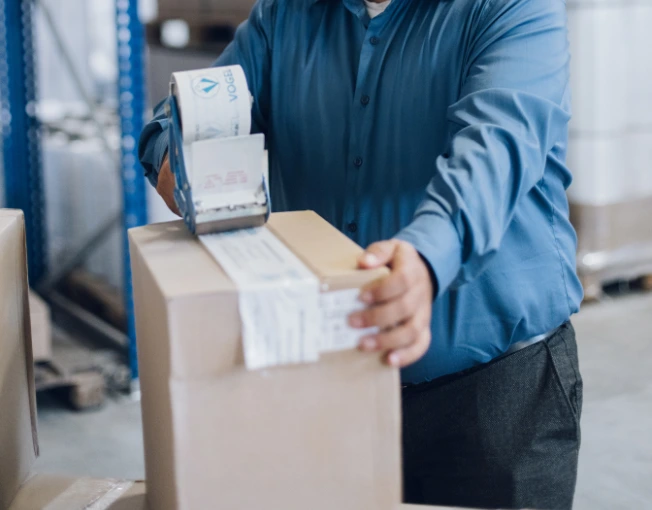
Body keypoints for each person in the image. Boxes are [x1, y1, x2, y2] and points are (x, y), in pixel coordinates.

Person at [139, 0, 584, 508]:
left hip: (495, 399)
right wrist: (177, 158)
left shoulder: (509, 8)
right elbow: (184, 114)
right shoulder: (286, 17)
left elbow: (496, 147)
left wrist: (424, 258)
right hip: (328, 381)